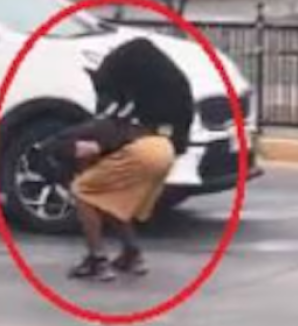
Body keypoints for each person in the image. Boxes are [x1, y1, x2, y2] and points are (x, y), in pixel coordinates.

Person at [51, 37, 194, 282]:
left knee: (84, 192)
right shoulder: (147, 79)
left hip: (148, 146)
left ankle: (98, 260)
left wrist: (82, 149)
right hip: (168, 148)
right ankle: (131, 254)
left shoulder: (113, 105)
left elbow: (103, 126)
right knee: (110, 198)